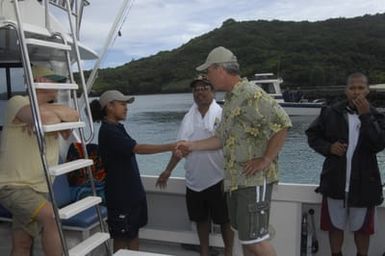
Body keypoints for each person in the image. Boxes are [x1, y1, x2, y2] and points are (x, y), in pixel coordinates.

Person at [176, 46, 292, 256]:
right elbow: (220, 138)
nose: (207, 78)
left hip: (252, 180)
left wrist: (266, 159)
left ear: (219, 69)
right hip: (235, 181)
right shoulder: (230, 99)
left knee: (257, 242)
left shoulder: (250, 93)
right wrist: (191, 146)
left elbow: (282, 123)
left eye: (208, 72)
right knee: (247, 240)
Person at [0, 65, 79, 256]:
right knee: (52, 217)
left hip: (42, 188)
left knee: (23, 242)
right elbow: (44, 119)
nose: (60, 86)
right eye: (56, 81)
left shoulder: (49, 107)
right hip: (14, 186)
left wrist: (48, 114)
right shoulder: (16, 102)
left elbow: (73, 118)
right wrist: (49, 117)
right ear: (40, 81)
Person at [305, 72, 385, 256]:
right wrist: (328, 147)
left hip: (365, 184)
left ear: (367, 90)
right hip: (335, 182)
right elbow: (312, 135)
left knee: (363, 230)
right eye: (352, 88)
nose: (356, 92)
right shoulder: (330, 112)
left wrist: (366, 117)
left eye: (360, 88)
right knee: (334, 228)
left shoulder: (377, 117)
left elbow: (378, 143)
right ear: (346, 90)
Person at [90, 90, 177, 252]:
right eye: (122, 104)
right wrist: (170, 146)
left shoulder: (117, 128)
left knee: (133, 233)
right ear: (109, 106)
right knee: (121, 238)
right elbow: (137, 148)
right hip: (121, 196)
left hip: (131, 193)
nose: (126, 108)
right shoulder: (109, 132)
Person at [156, 75, 234, 256]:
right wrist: (168, 170)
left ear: (213, 92)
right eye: (196, 89)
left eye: (204, 88)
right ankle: (204, 252)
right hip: (194, 179)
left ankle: (229, 252)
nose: (200, 92)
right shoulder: (188, 118)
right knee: (201, 220)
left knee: (225, 221)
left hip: (219, 178)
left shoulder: (222, 114)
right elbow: (180, 147)